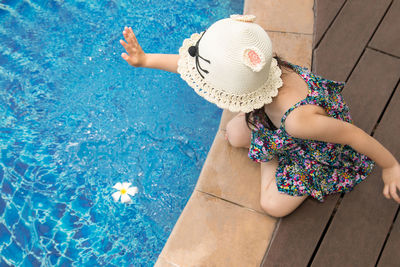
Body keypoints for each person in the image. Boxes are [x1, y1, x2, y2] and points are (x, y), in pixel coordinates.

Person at [119, 14, 400, 218]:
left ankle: (273, 152)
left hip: (314, 149)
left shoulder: (299, 121)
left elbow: (351, 134)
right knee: (232, 134)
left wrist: (389, 166)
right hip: (274, 122)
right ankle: (268, 144)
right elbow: (197, 66)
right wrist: (146, 60)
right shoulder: (266, 66)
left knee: (272, 205)